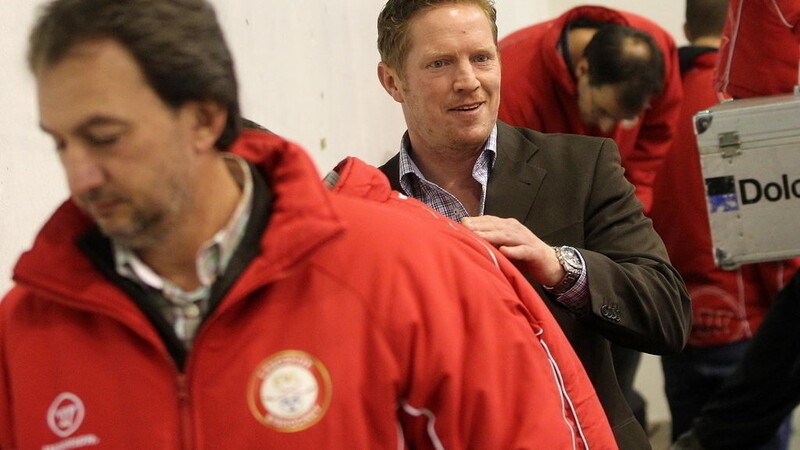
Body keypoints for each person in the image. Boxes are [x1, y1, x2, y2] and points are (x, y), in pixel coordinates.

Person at [0, 0, 620, 447]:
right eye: (62, 143)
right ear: (393, 81)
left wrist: (561, 266)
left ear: (204, 119)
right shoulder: (26, 329)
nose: (81, 177)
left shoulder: (407, 269)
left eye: (106, 139)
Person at [375, 1, 692, 448]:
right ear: (392, 82)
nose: (468, 82)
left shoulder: (583, 167)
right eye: (440, 63)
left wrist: (562, 268)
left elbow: (668, 315)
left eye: (481, 58)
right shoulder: (366, 206)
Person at [650, 0, 799, 445]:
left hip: (678, 323)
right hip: (750, 327)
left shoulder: (651, 105)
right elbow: (774, 231)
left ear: (686, 26)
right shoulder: (753, 113)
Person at [497, 5, 683, 215]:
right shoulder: (511, 86)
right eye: (602, 111)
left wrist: (630, 207)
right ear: (583, 69)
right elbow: (514, 189)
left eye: (628, 120)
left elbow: (654, 138)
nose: (607, 128)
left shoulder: (657, 53)